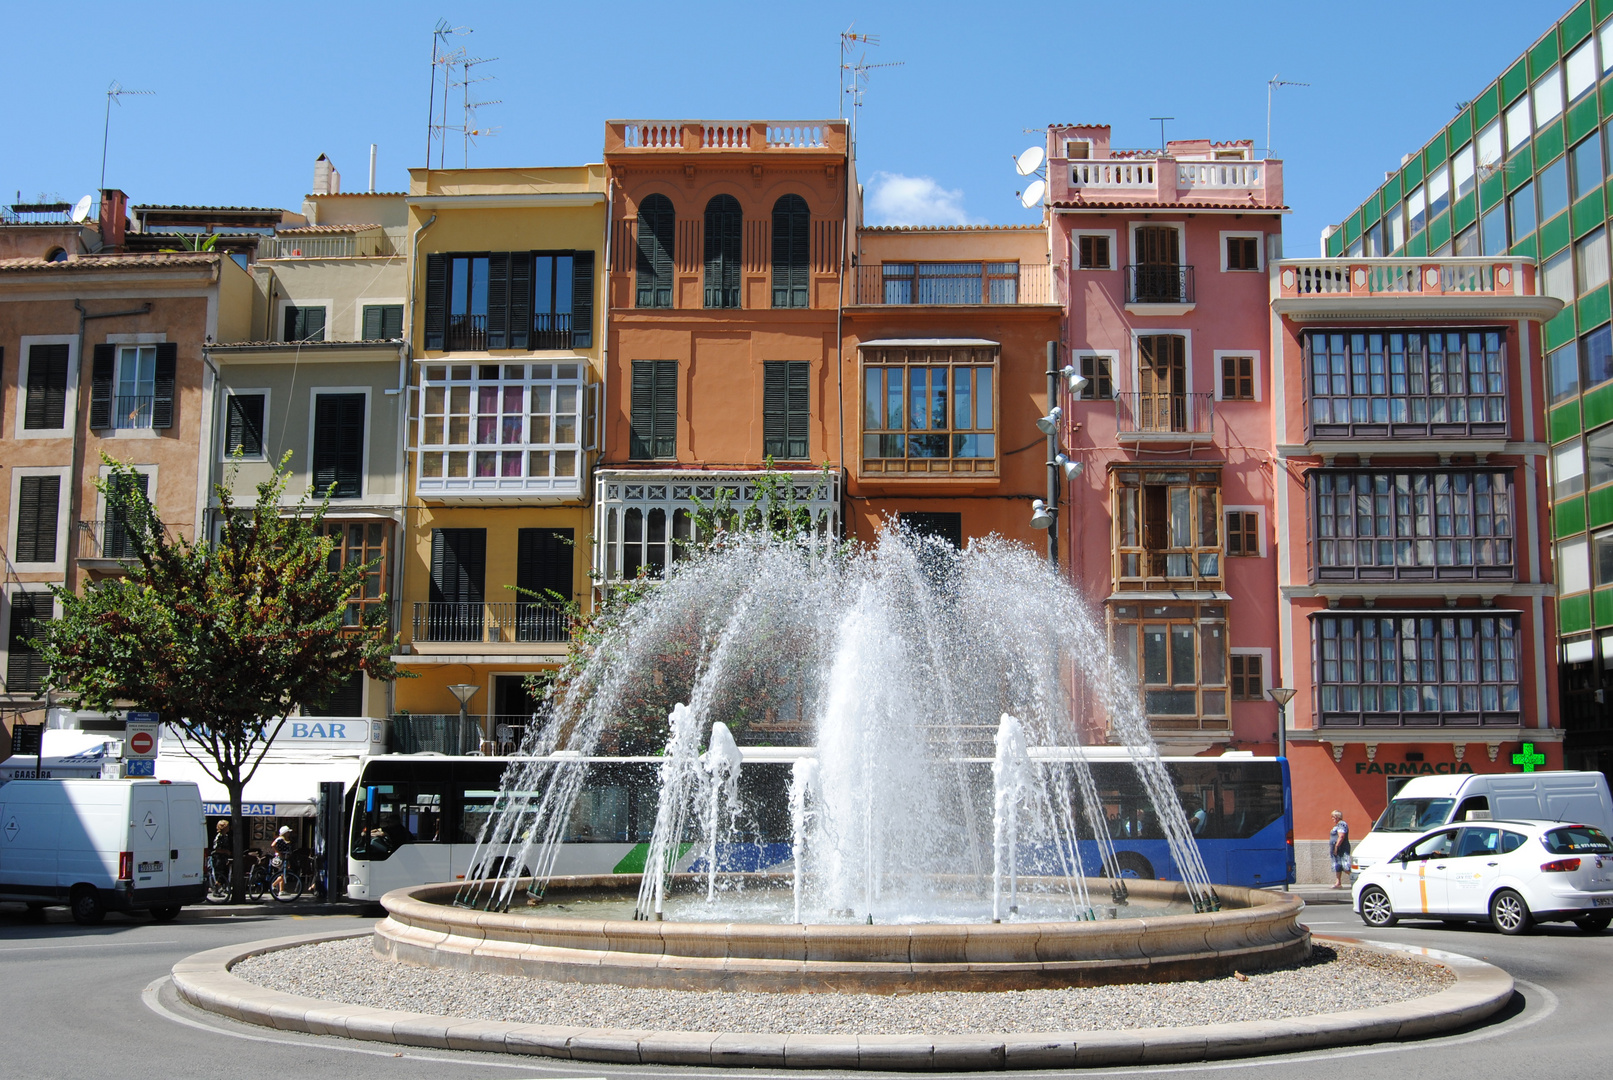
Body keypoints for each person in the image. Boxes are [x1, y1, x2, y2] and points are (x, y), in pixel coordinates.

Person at [1329, 810, 1351, 889]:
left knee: (1345, 866)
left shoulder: (1341, 824)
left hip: (1341, 849)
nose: (1332, 819)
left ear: (1336, 817)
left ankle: (1355, 880)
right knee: (1338, 866)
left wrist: (1336, 847)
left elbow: (1341, 836)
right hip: (1338, 849)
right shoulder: (1337, 825)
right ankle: (1338, 883)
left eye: (1333, 817)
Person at [269, 825, 294, 895]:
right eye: (288, 832)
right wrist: (278, 853)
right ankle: (273, 884)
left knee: (283, 873)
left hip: (285, 857)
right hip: (281, 858)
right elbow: (273, 845)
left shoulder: (283, 839)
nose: (289, 834)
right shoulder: (280, 839)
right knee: (283, 873)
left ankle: (281, 890)